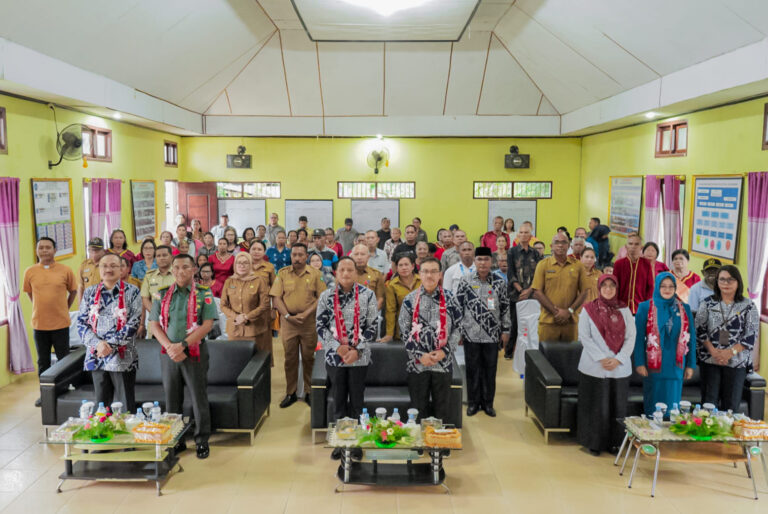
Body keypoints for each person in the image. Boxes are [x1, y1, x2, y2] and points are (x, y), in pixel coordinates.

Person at [149, 254, 218, 459]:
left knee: (198, 397)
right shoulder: (161, 295)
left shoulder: (204, 293)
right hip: (168, 354)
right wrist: (171, 347)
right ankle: (177, 440)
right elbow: (154, 324)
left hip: (194, 352)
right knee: (172, 399)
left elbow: (207, 325)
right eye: (176, 268)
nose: (180, 271)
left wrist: (184, 345)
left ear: (194, 270)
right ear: (172, 270)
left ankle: (202, 440)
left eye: (185, 267)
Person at [316, 257, 378, 459]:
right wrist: (337, 347)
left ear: (356, 273)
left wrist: (357, 350)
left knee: (357, 402)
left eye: (350, 269)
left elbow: (373, 327)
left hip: (359, 358)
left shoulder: (368, 295)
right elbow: (320, 326)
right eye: (341, 269)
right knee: (339, 400)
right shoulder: (326, 296)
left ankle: (357, 443)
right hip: (335, 358)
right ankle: (341, 442)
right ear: (336, 272)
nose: (345, 273)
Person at [576, 274, 635, 456]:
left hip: (619, 368)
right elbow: (584, 337)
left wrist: (618, 359)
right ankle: (594, 443)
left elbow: (631, 337)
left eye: (612, 286)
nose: (608, 289)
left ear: (617, 289)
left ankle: (615, 443)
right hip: (594, 367)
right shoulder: (588, 309)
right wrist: (602, 358)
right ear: (599, 288)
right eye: (605, 286)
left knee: (617, 407)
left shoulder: (625, 310)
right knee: (595, 407)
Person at [399, 257, 462, 421]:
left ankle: (439, 444)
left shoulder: (450, 299)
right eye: (425, 271)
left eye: (434, 271)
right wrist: (420, 355)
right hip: (417, 364)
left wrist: (444, 351)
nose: (429, 275)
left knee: (442, 408)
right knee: (418, 408)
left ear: (440, 274)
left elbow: (459, 327)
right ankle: (420, 444)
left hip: (443, 362)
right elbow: (404, 331)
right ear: (419, 274)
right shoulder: (409, 300)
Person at [77, 253, 142, 413]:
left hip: (123, 356)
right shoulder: (90, 292)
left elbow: (134, 323)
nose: (108, 269)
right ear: (99, 269)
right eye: (104, 266)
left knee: (126, 406)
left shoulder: (132, 291)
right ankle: (104, 434)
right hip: (96, 354)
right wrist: (99, 344)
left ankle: (128, 436)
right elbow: (81, 323)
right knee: (101, 405)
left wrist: (110, 345)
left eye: (114, 265)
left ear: (122, 269)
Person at [455, 247, 510, 417]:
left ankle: (488, 403)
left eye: (486, 259)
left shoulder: (499, 282)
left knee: (490, 370)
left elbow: (505, 307)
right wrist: (458, 331)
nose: (483, 263)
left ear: (491, 262)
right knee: (472, 370)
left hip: (492, 334)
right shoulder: (465, 281)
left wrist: (506, 330)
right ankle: (473, 403)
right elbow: (458, 307)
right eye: (479, 259)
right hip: (470, 334)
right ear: (475, 261)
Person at [695, 266, 758, 413]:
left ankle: (727, 435)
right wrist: (714, 352)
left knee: (731, 407)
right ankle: (708, 435)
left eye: (730, 279)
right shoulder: (707, 303)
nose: (726, 283)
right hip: (710, 360)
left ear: (738, 282)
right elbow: (699, 329)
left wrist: (729, 353)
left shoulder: (749, 306)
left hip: (737, 362)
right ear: (717, 282)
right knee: (708, 405)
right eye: (722, 279)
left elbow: (751, 335)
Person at [270, 244, 326, 408]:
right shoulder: (282, 273)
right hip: (288, 323)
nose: (297, 258)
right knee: (290, 359)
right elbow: (276, 298)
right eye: (294, 254)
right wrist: (287, 315)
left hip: (308, 322)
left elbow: (321, 297)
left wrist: (305, 314)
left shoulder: (316, 274)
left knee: (309, 358)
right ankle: (291, 393)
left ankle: (309, 392)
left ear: (306, 256)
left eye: (300, 255)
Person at [23, 237, 77, 406]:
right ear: (37, 251)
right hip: (39, 324)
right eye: (41, 248)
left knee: (63, 359)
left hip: (61, 323)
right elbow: (29, 293)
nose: (45, 250)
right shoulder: (30, 271)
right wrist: (40, 307)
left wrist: (64, 308)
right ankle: (45, 394)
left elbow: (73, 291)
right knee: (43, 361)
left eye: (48, 247)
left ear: (55, 250)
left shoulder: (65, 270)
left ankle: (64, 389)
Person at [634, 272, 696, 416]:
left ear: (675, 288)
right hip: (653, 367)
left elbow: (691, 338)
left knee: (672, 408)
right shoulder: (645, 307)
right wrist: (639, 363)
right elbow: (638, 339)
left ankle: (668, 437)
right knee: (653, 406)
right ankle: (651, 437)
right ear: (657, 287)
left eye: (671, 286)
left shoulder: (684, 308)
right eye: (663, 286)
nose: (667, 289)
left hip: (676, 366)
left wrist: (691, 365)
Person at [531, 232, 591, 342]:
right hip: (548, 322)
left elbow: (584, 292)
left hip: (570, 322)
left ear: (569, 246)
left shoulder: (578, 265)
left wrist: (569, 311)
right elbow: (537, 292)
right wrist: (556, 312)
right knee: (546, 358)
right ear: (551, 246)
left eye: (564, 242)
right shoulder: (543, 264)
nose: (560, 245)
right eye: (557, 242)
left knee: (570, 358)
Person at [220, 253, 271, 353]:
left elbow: (265, 305)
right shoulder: (229, 282)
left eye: (245, 263)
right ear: (235, 265)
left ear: (250, 264)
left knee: (254, 362)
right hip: (234, 330)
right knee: (235, 361)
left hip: (254, 330)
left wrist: (246, 317)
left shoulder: (259, 281)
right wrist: (236, 317)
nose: (242, 265)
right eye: (239, 263)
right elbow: (223, 305)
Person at [505, 221, 540, 359]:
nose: (524, 235)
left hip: (532, 295)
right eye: (521, 232)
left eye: (526, 232)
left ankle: (530, 353)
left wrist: (529, 290)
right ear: (517, 235)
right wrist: (521, 291)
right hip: (516, 295)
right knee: (515, 324)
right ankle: (509, 352)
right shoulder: (512, 252)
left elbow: (539, 274)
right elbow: (510, 274)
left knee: (531, 325)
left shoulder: (536, 253)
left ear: (531, 235)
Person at [380, 254, 421, 342]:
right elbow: (390, 311)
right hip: (402, 329)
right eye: (400, 265)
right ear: (397, 268)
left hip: (422, 328)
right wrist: (389, 334)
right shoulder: (392, 285)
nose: (404, 268)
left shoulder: (422, 281)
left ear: (413, 266)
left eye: (406, 264)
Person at [614, 233, 654, 314]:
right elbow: (615, 285)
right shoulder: (619, 264)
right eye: (630, 244)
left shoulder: (646, 264)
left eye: (636, 244)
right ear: (626, 246)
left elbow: (650, 287)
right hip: (622, 307)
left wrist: (646, 305)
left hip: (640, 307)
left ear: (641, 247)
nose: (633, 246)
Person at [140, 245, 175, 339]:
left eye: (164, 255)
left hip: (175, 321)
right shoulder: (149, 276)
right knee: (154, 351)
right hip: (156, 322)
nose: (161, 258)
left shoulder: (178, 274)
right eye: (158, 256)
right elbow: (145, 298)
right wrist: (159, 315)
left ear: (171, 257)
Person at [350, 244, 385, 311]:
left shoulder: (376, 274)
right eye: (356, 254)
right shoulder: (345, 275)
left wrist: (371, 315)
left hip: (371, 313)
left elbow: (380, 298)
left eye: (362, 254)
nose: (359, 257)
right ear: (351, 257)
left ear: (368, 257)